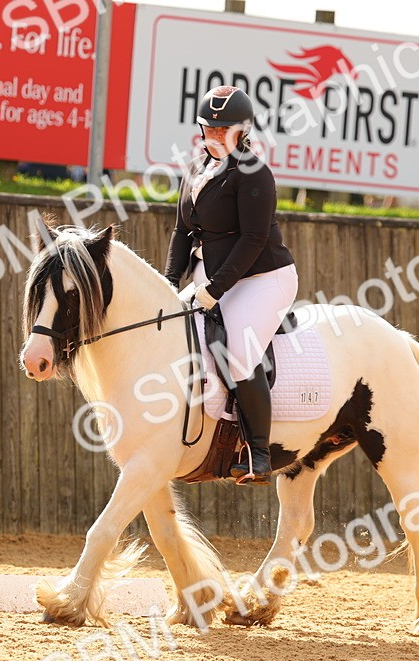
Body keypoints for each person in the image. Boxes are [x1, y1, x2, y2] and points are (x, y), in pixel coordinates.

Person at [164, 86, 299, 486]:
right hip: (214, 275)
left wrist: (214, 289)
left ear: (243, 132)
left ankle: (258, 453)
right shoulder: (194, 171)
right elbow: (181, 232)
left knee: (239, 351)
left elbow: (253, 239)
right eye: (209, 129)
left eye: (225, 131)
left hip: (262, 278)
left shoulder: (254, 174)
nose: (215, 138)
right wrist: (169, 283)